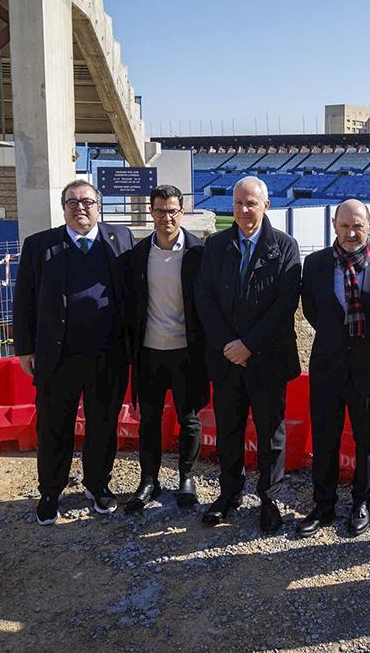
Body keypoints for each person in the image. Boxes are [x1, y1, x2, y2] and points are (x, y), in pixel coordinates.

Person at [14, 179, 134, 525]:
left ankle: (97, 485)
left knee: (103, 424)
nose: (80, 207)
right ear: (64, 207)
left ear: (99, 206)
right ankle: (50, 492)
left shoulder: (120, 238)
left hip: (108, 356)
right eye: (73, 202)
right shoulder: (40, 245)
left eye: (87, 202)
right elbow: (23, 299)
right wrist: (24, 349)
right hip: (57, 357)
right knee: (54, 426)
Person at [194, 175, 301, 534]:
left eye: (251, 203)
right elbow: (204, 297)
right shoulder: (216, 245)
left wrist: (249, 345)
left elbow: (284, 305)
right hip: (227, 359)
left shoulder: (284, 246)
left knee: (271, 435)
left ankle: (270, 499)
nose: (243, 210)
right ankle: (229, 494)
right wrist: (230, 344)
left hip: (267, 360)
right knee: (229, 430)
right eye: (238, 203)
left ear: (266, 205)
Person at [298, 199, 370, 538]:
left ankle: (362, 502)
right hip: (328, 366)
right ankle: (323, 504)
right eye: (345, 225)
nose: (351, 232)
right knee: (325, 439)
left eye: (358, 225)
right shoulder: (315, 264)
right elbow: (312, 311)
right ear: (334, 225)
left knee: (367, 441)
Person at [123, 184, 208, 512]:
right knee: (149, 420)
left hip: (187, 351)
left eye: (172, 211)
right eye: (160, 211)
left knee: (189, 419)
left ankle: (187, 477)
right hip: (149, 352)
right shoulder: (138, 255)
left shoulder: (199, 253)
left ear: (182, 212)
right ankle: (149, 480)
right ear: (151, 213)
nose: (166, 217)